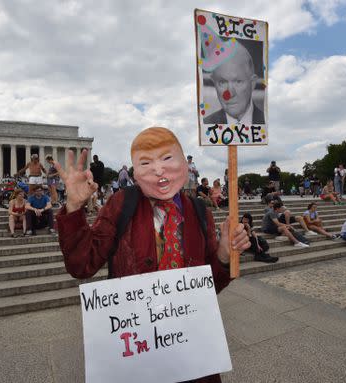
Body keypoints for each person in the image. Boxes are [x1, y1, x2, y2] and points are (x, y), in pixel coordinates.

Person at [56, 128, 250, 383]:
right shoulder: (121, 204)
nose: (159, 170)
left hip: (191, 350)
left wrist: (224, 256)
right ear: (135, 173)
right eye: (146, 163)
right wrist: (73, 208)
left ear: (185, 164)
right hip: (138, 346)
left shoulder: (199, 211)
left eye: (167, 159)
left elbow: (207, 287)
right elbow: (82, 265)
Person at [203, 40, 264, 126]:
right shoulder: (206, 124)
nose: (230, 94)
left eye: (238, 82)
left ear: (253, 83)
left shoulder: (267, 122)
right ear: (214, 83)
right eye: (222, 82)